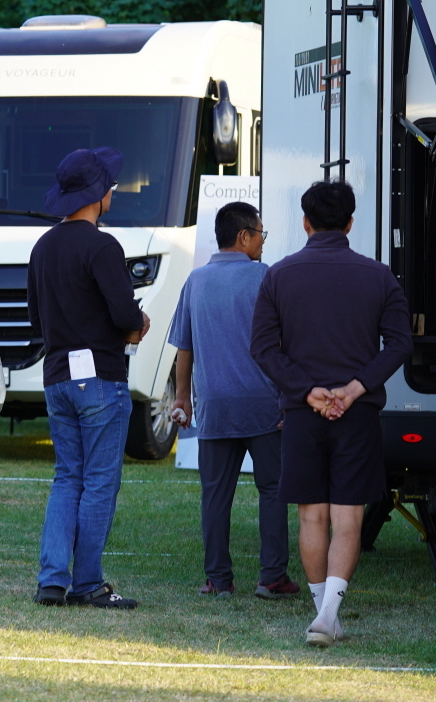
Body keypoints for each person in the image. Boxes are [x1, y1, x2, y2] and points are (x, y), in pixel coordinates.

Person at [249, 181, 413, 648]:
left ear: (305, 222)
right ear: (350, 224)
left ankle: (322, 610)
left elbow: (262, 347)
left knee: (311, 517)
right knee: (348, 518)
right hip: (357, 414)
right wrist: (356, 388)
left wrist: (309, 391)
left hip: (301, 413)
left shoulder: (278, 275)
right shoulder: (379, 276)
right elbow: (400, 342)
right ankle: (330, 613)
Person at [27, 147, 148, 610]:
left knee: (67, 478)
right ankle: (89, 583)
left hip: (57, 376)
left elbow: (38, 321)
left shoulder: (42, 246)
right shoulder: (103, 246)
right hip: (101, 376)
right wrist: (138, 323)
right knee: (99, 482)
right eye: (110, 186)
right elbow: (124, 314)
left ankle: (52, 579)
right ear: (98, 195)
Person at [169, 201, 296, 600]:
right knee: (273, 490)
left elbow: (183, 349)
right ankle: (272, 577)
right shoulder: (267, 278)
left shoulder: (196, 281)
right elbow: (285, 346)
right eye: (260, 233)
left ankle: (218, 580)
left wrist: (183, 399)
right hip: (264, 405)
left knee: (215, 494)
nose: (262, 241)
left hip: (215, 407)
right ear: (244, 236)